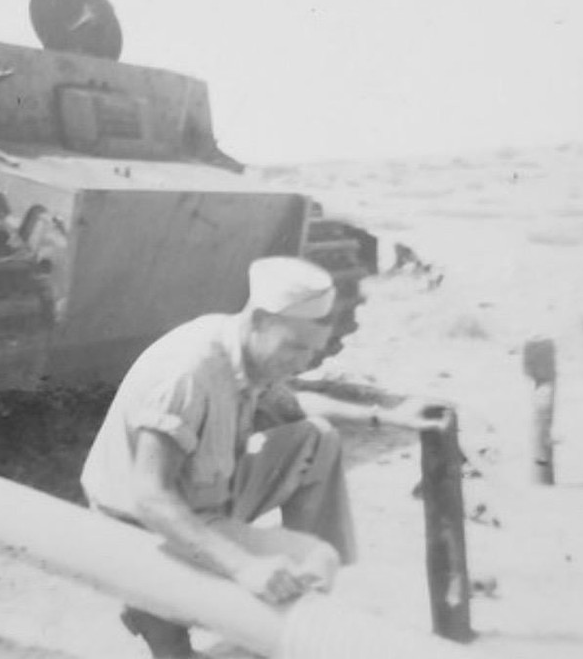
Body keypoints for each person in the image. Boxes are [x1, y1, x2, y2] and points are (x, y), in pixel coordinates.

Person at [80, 255, 444, 658]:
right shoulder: (188, 373)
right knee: (316, 561)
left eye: (313, 351)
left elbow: (295, 404)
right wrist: (244, 566)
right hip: (138, 527)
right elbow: (151, 498)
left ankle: (292, 593)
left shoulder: (243, 347)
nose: (303, 362)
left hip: (202, 495)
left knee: (316, 439)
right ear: (258, 320)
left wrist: (385, 417)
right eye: (295, 348)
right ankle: (177, 619)